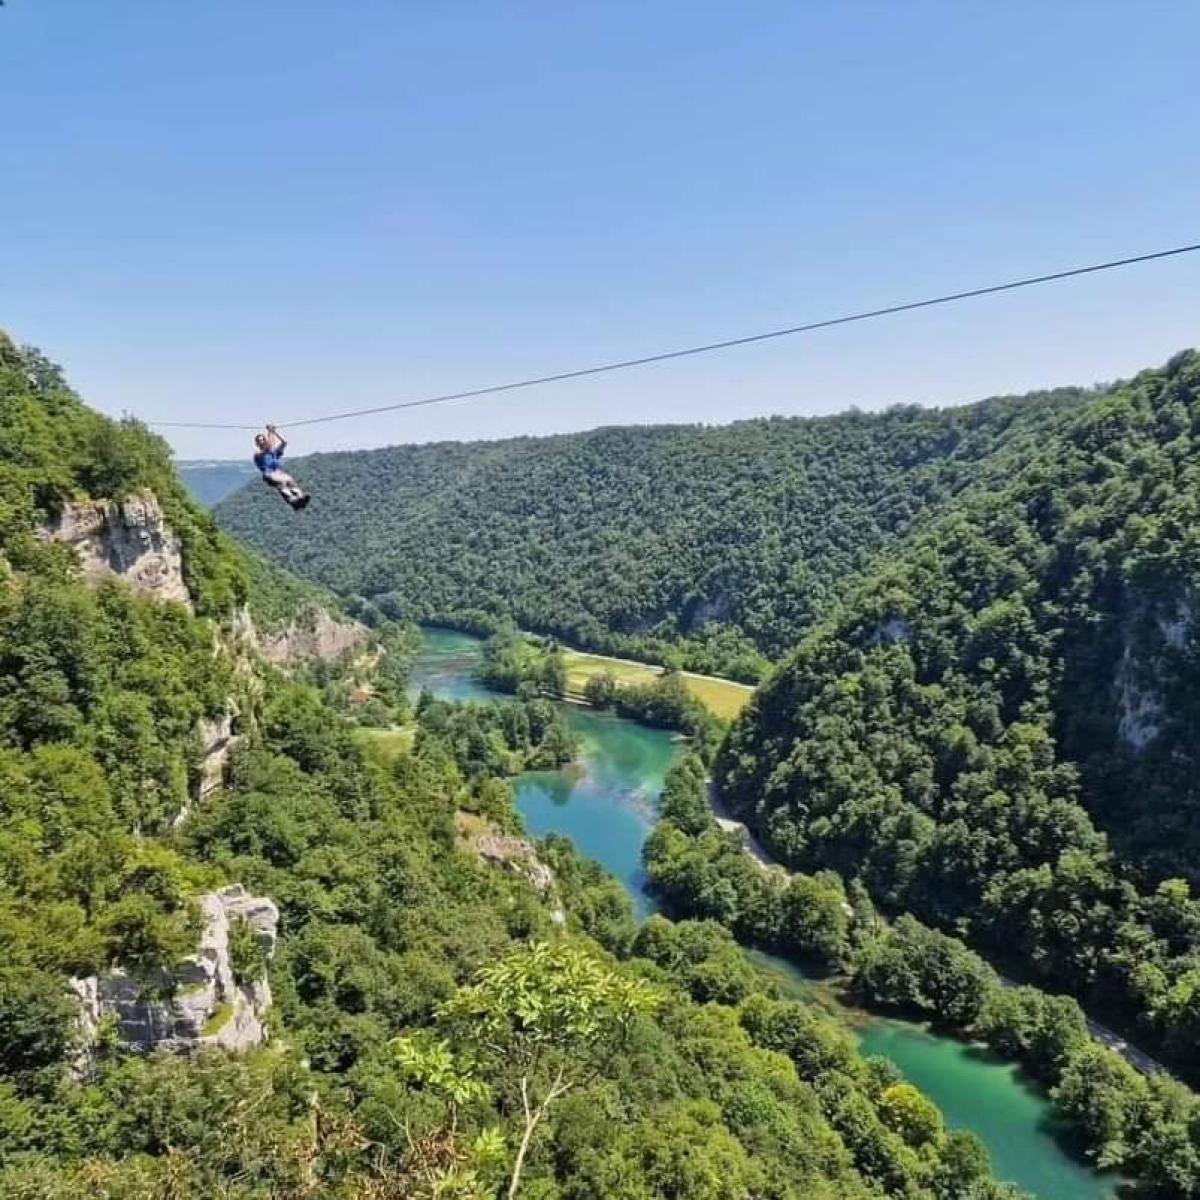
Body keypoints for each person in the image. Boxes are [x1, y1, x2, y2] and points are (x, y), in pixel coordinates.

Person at [253, 424, 310, 510]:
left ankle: (300, 498)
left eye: (262, 440)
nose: (262, 442)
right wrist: (270, 432)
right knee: (282, 482)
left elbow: (284, 443)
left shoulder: (273, 452)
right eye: (260, 441)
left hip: (277, 472)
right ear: (257, 444)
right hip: (268, 474)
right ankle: (293, 500)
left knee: (290, 481)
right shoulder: (257, 454)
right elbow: (267, 448)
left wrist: (274, 432)